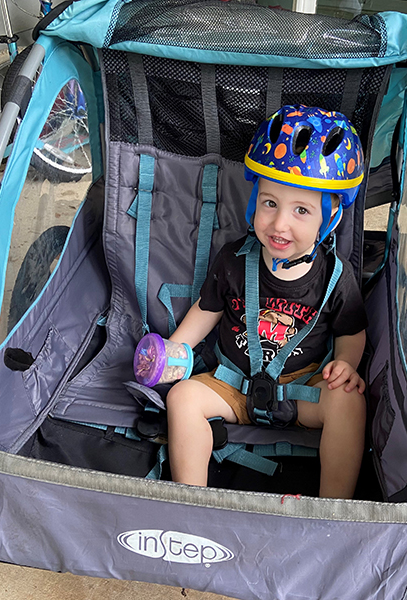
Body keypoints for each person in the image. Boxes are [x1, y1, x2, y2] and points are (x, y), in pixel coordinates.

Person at [166, 105, 368, 499]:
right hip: (233, 386)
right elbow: (208, 310)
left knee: (349, 403)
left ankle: (331, 508)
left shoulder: (335, 277)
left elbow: (352, 330)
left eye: (302, 210)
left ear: (329, 220)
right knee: (182, 398)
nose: (279, 224)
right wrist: (177, 346)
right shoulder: (233, 260)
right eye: (270, 203)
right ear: (254, 201)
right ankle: (191, 500)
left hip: (302, 392)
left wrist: (346, 364)